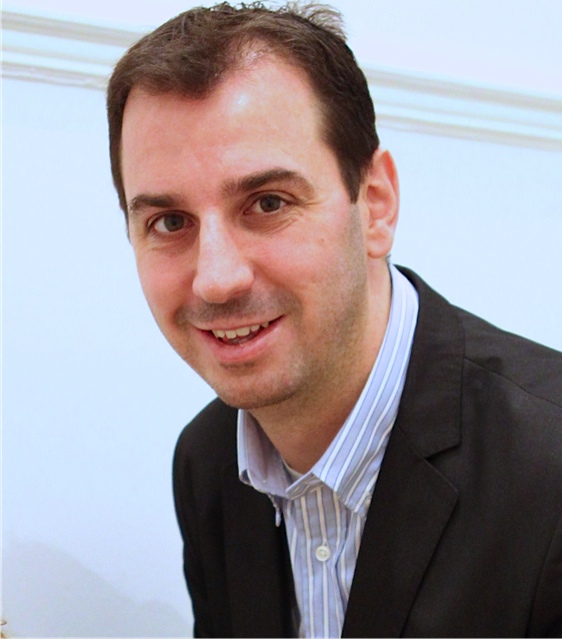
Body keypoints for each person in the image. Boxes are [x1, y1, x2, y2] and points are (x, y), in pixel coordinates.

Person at [106, 3, 562, 637]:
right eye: (170, 222)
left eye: (268, 203)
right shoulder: (207, 462)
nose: (215, 278)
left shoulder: (549, 464)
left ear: (375, 205)